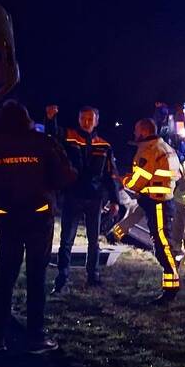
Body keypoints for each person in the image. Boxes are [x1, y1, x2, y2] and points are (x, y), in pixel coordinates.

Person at [0, 101, 77, 353]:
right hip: (39, 218)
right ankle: (35, 337)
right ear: (27, 118)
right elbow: (65, 176)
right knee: (37, 276)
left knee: (5, 276)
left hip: (8, 219)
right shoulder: (44, 143)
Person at [54, 106, 121, 293]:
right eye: (83, 118)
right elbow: (52, 134)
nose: (86, 122)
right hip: (72, 195)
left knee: (94, 240)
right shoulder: (69, 138)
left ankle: (93, 276)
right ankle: (62, 278)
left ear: (96, 121)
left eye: (90, 119)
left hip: (95, 198)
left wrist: (115, 200)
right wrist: (51, 118)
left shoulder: (104, 145)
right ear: (78, 119)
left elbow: (110, 175)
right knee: (66, 240)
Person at [122, 118, 182, 304]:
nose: (134, 133)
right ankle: (170, 287)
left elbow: (138, 180)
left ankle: (171, 287)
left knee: (162, 245)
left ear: (144, 131)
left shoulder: (149, 150)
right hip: (164, 201)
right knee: (163, 242)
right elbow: (178, 173)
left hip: (157, 203)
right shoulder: (166, 147)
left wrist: (124, 181)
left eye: (136, 130)